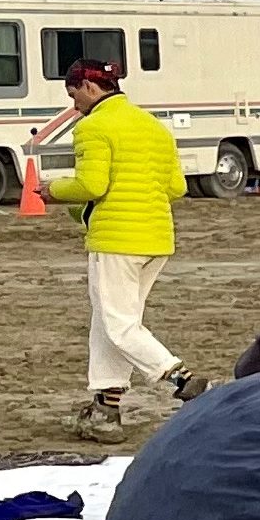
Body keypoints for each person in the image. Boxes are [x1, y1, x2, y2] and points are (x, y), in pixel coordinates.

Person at [39, 60, 196, 440]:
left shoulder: (93, 127)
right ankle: (106, 409)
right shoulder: (153, 127)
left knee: (119, 324)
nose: (73, 105)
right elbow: (176, 188)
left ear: (90, 88)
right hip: (156, 239)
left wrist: (53, 191)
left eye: (73, 95)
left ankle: (181, 378)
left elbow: (91, 184)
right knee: (110, 322)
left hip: (116, 242)